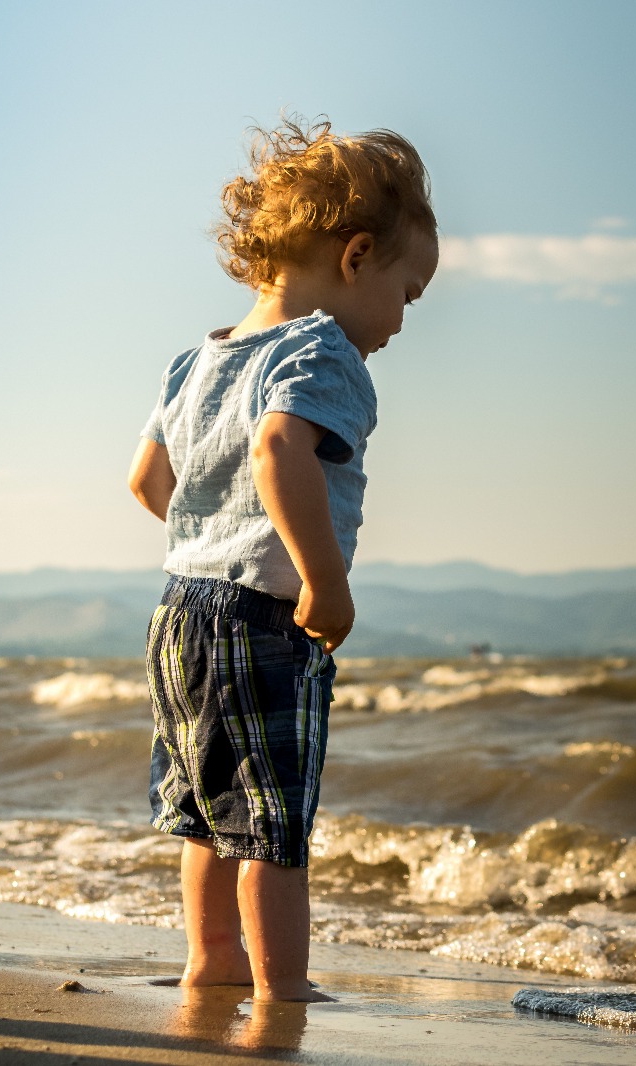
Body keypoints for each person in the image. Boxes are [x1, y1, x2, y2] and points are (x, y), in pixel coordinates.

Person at [127, 116, 437, 1002]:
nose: (404, 322)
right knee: (271, 825)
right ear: (357, 255)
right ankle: (281, 989)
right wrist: (323, 580)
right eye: (408, 294)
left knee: (206, 817)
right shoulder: (322, 350)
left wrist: (210, 540)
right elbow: (277, 452)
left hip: (179, 610)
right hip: (262, 616)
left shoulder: (196, 358)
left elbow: (150, 480)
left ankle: (211, 960)